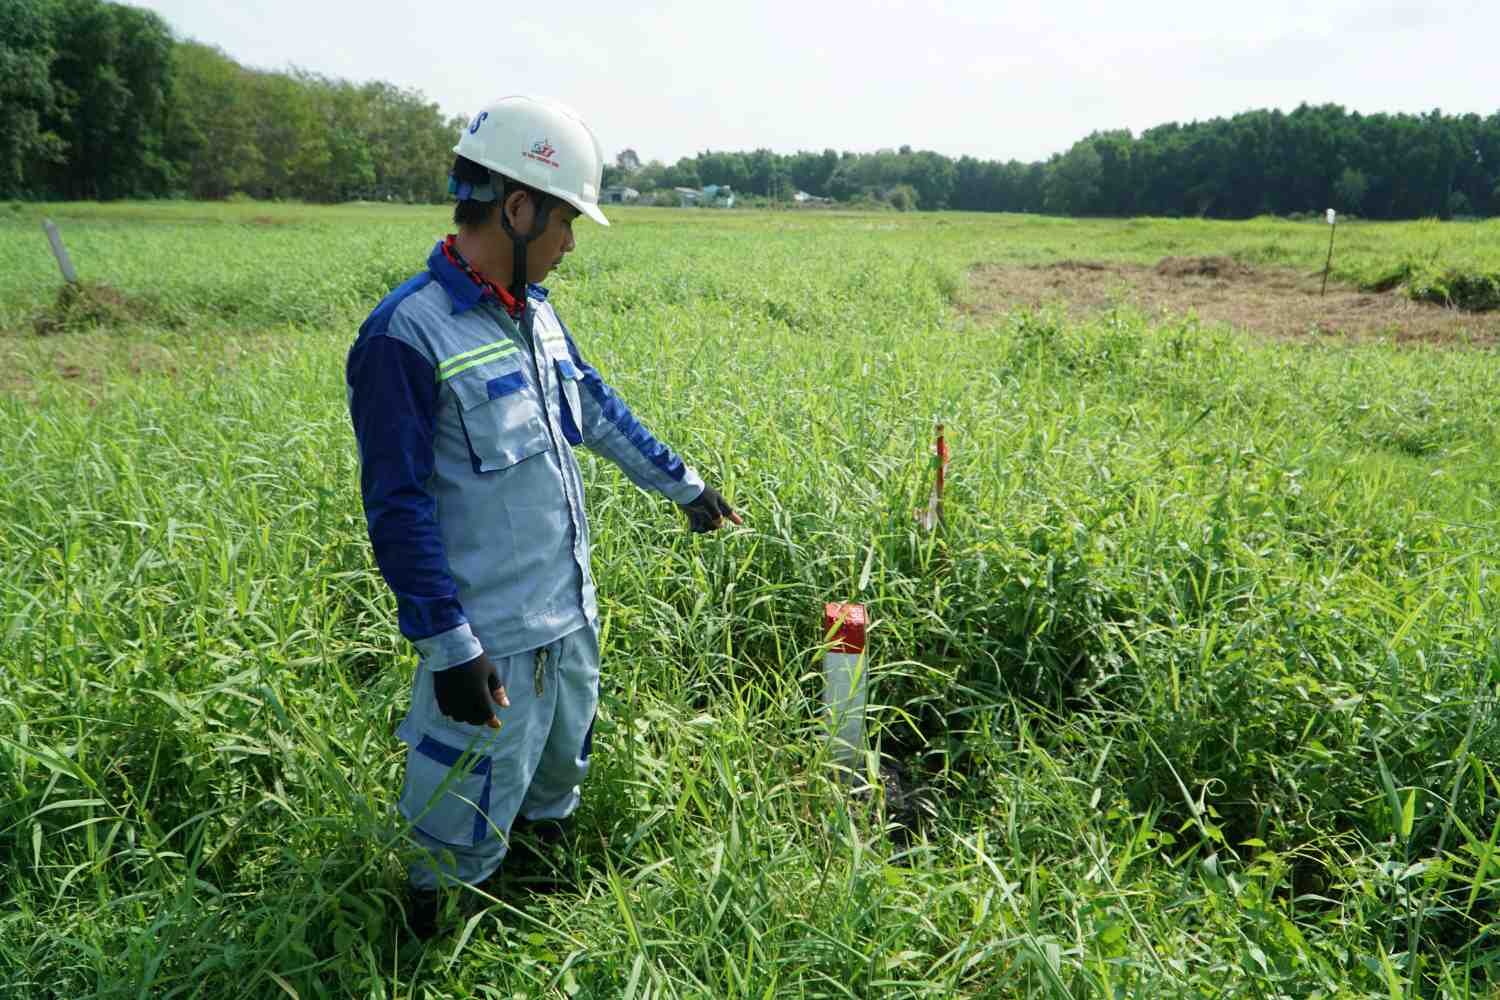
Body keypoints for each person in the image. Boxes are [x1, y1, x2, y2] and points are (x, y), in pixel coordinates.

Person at [344, 95, 741, 938]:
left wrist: (687, 488)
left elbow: (595, 409)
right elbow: (398, 507)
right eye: (566, 223)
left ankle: (536, 917)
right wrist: (449, 648)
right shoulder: (405, 336)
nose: (569, 245)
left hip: (571, 616)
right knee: (458, 815)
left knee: (555, 779)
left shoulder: (538, 315)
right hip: (491, 640)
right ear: (518, 208)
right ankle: (429, 947)